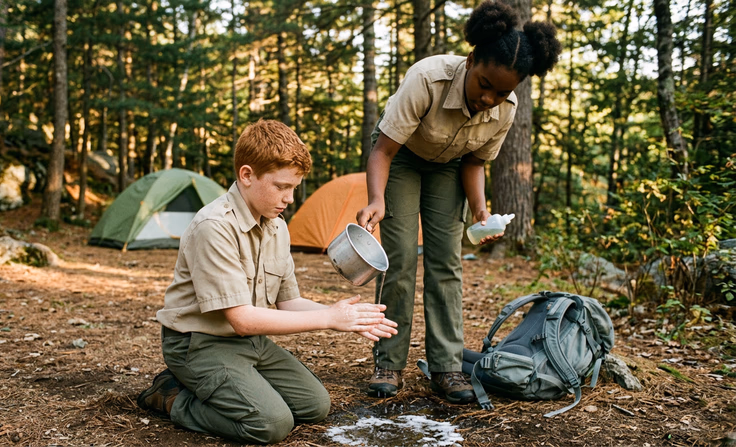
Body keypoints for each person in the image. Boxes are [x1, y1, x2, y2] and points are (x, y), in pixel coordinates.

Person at [137, 119, 398, 444]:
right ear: (247, 175)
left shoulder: (277, 226)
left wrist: (344, 317)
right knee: (271, 424)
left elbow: (288, 302)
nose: (289, 198)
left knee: (315, 405)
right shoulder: (214, 227)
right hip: (198, 343)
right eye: (280, 187)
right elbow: (241, 319)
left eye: (294, 188)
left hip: (249, 341)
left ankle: (234, 385)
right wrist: (328, 319)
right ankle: (173, 396)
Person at [356, 1, 562, 404]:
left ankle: (447, 366)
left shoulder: (505, 107)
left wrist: (481, 212)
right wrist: (376, 199)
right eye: (484, 84)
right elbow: (383, 151)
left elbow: (474, 163)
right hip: (401, 160)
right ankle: (389, 364)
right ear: (471, 61)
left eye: (502, 92)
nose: (490, 98)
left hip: (448, 167)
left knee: (445, 262)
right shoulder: (426, 79)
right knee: (397, 259)